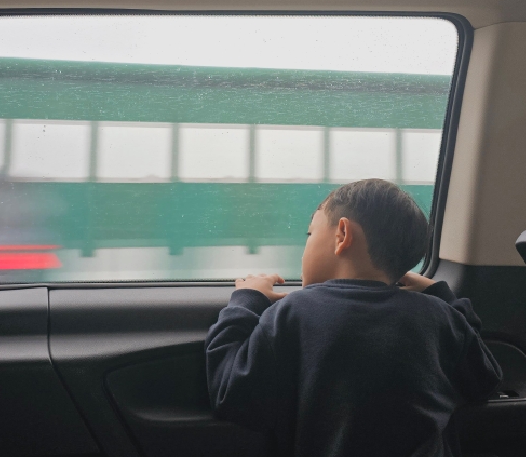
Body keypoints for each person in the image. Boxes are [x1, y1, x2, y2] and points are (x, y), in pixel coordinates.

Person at [205, 179, 502, 457]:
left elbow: (230, 394)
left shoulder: (294, 312)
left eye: (310, 234)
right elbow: (485, 380)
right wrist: (442, 294)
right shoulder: (438, 316)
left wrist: (247, 299)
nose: (306, 246)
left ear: (342, 235)